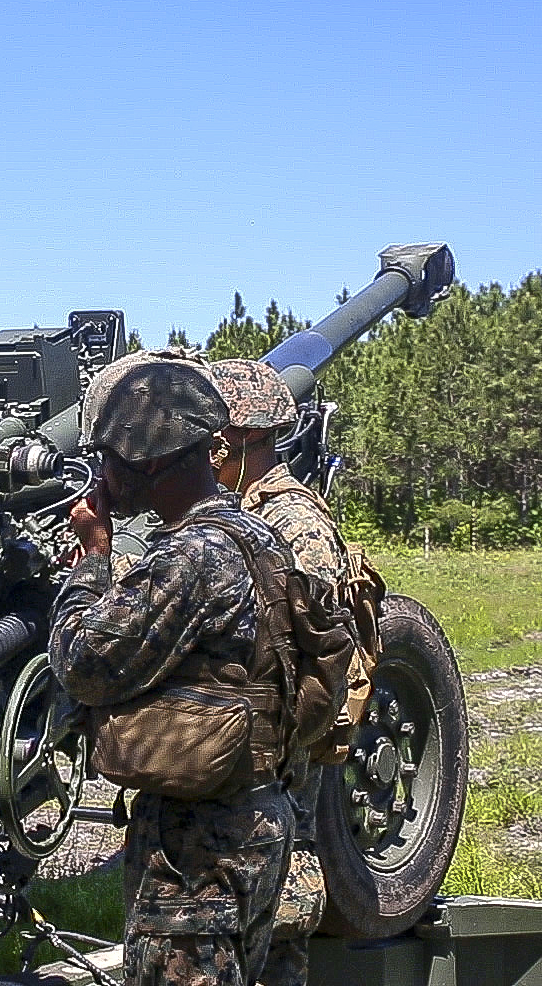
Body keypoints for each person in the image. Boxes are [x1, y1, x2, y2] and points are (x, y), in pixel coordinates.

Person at [48, 357, 297, 986]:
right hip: (252, 817)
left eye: (107, 460)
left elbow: (82, 664)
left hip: (199, 846)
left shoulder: (192, 555)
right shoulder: (254, 534)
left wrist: (93, 557)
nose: (99, 476)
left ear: (150, 460)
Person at [207, 358, 351, 986]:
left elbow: (318, 651)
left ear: (249, 439)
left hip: (283, 747)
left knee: (281, 890)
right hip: (247, 739)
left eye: (216, 438)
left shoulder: (294, 523)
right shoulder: (235, 513)